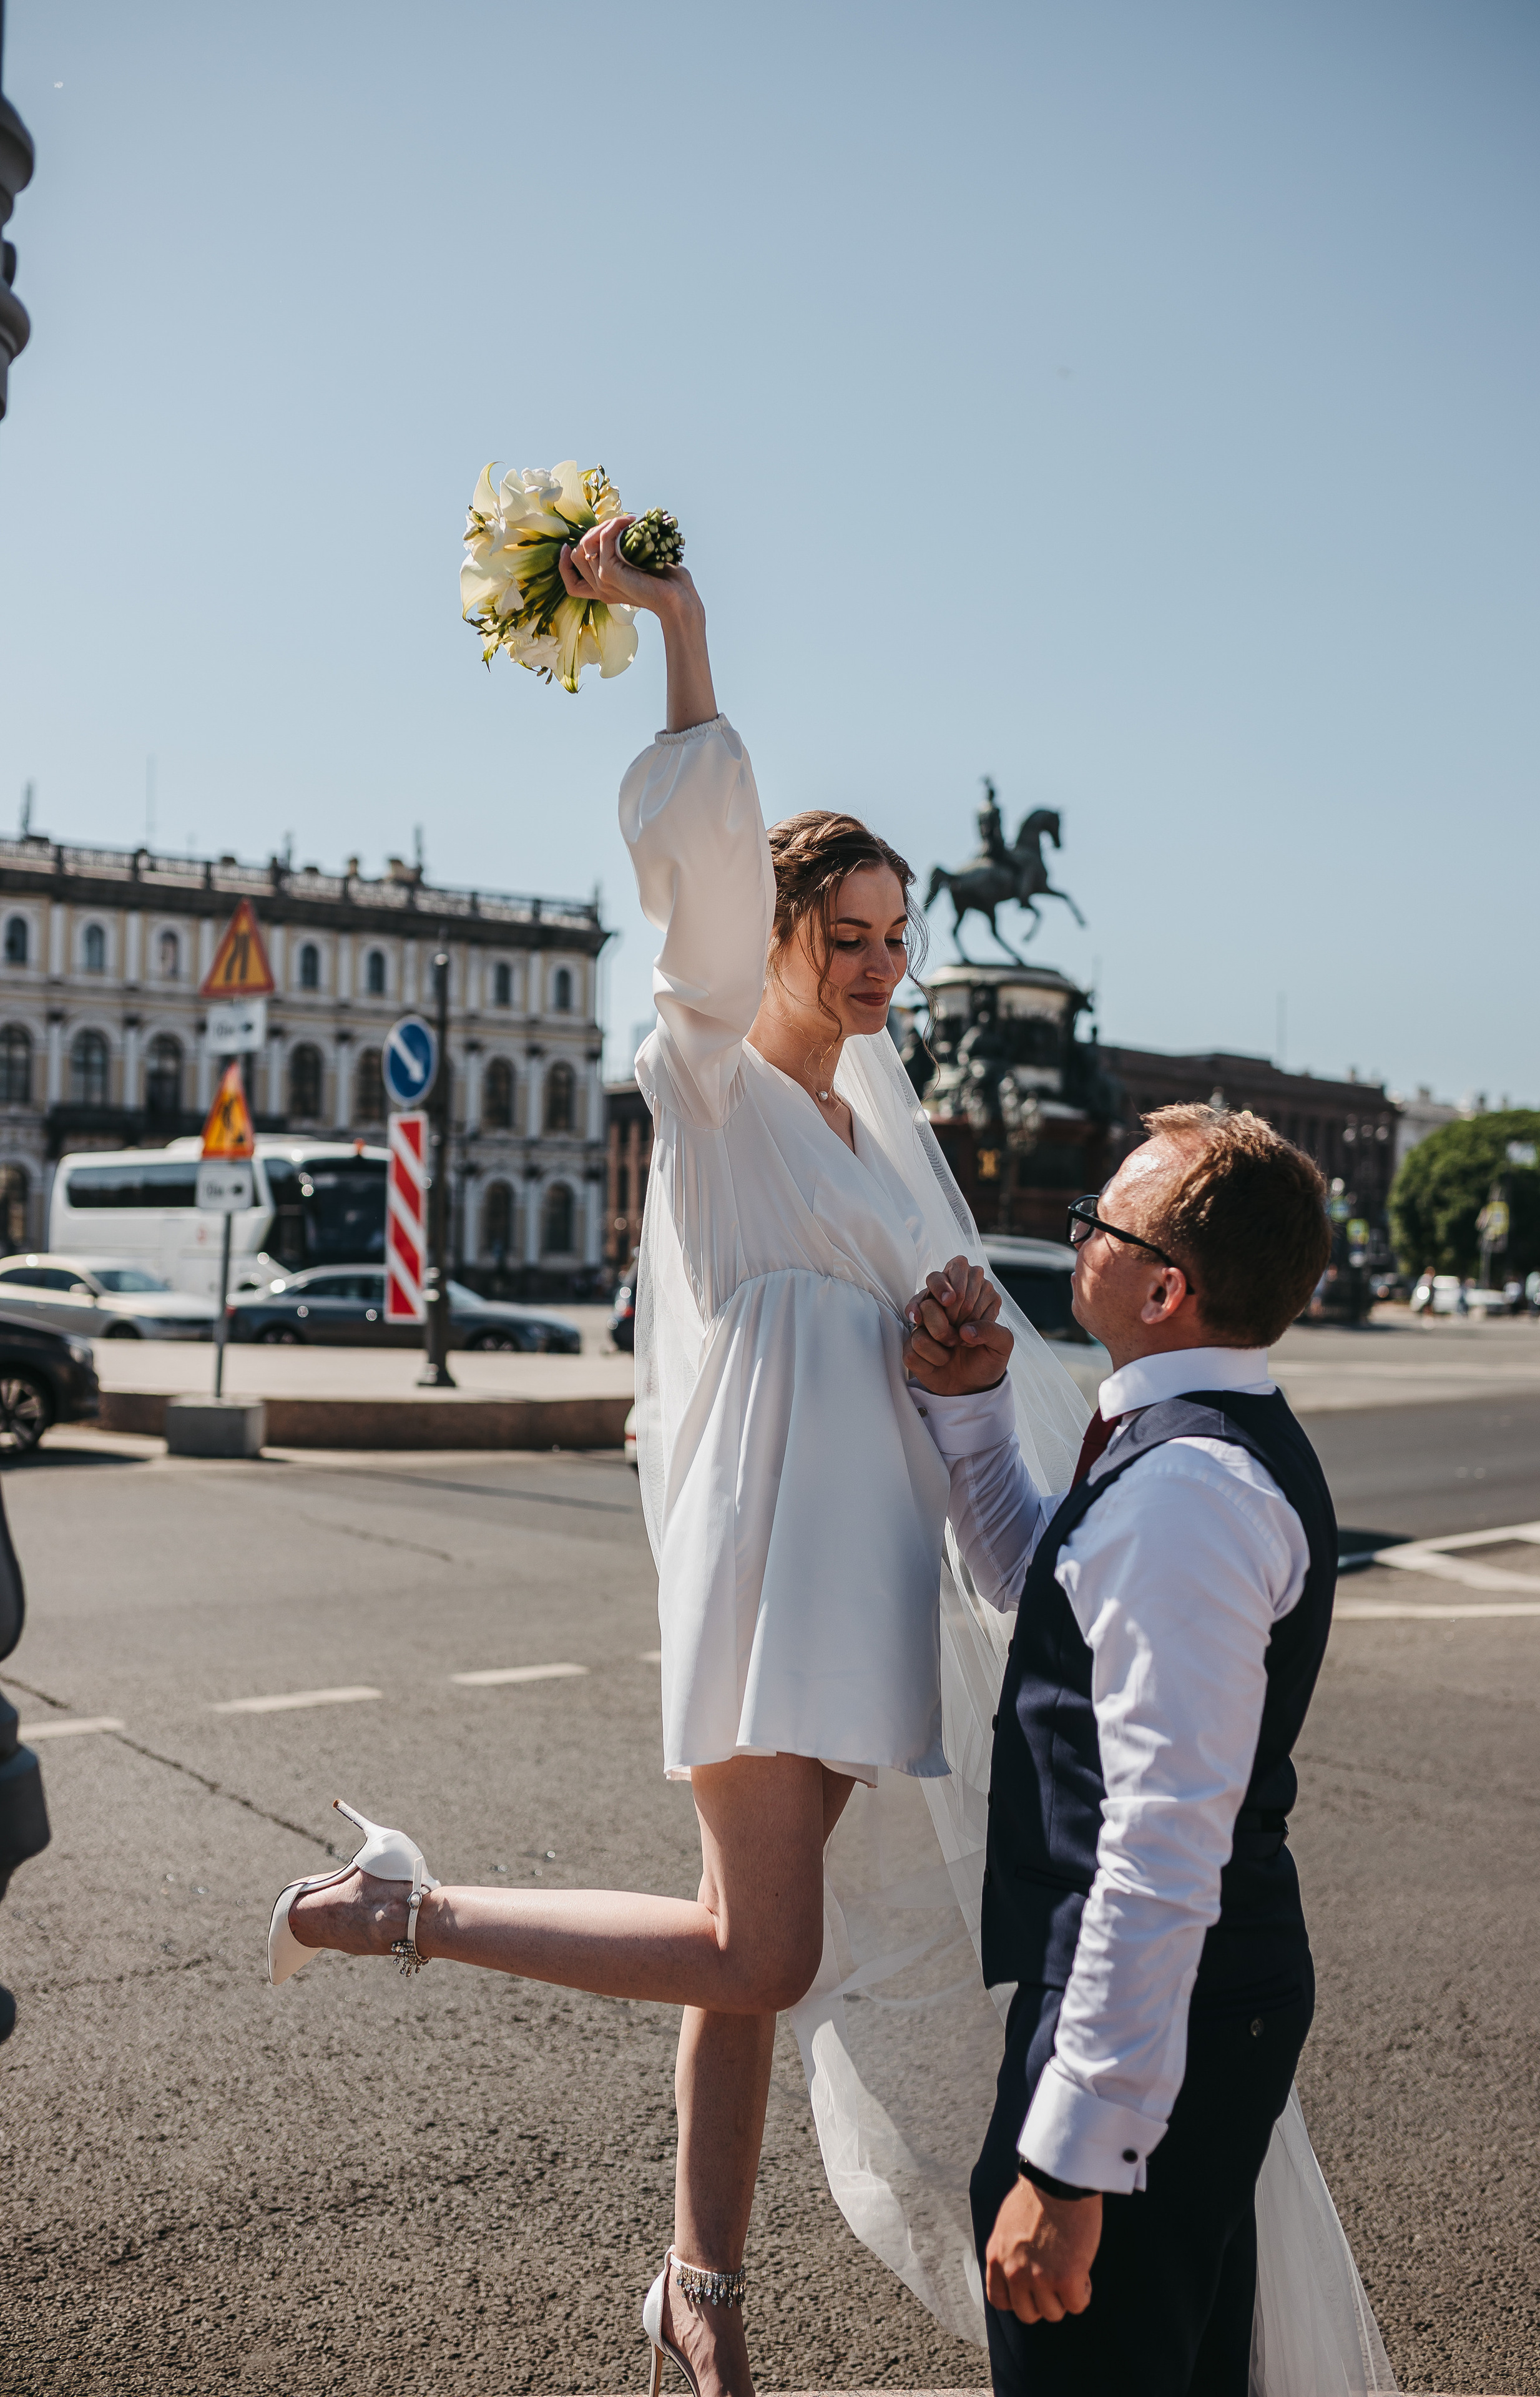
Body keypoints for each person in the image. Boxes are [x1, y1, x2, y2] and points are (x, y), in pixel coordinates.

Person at [264, 512, 1062, 2397]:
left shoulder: (868, 1138)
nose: (875, 973)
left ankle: (698, 2288)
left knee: (737, 1955)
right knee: (765, 1955)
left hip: (856, 1566)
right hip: (769, 1558)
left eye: (894, 947)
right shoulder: (702, 1065)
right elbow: (705, 837)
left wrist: (958, 1352)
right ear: (777, 929)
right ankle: (409, 1910)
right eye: (843, 936)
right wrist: (679, 622)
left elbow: (916, 1356)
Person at [903, 1106, 1395, 2395]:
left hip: (1159, 2011)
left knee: (1095, 2366)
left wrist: (1070, 2165)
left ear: (1163, 1286)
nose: (1073, 1237)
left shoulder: (1188, 1494)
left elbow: (1161, 1844)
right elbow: (1046, 1579)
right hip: (1192, 2005)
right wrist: (970, 1414)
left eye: (1098, 1225)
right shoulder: (1179, 1453)